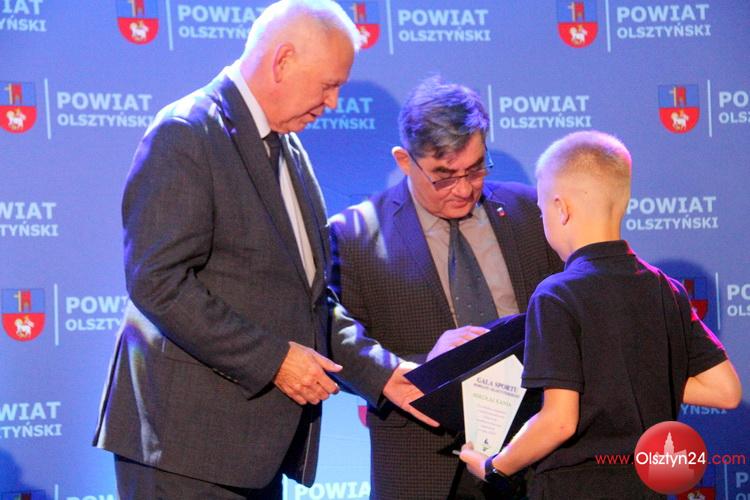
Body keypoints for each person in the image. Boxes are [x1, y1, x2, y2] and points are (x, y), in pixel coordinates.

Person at [92, 1, 431, 497]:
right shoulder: (187, 132)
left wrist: (385, 374)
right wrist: (274, 360)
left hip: (253, 452)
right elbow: (157, 282)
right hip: (184, 452)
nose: (334, 102)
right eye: (329, 85)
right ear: (283, 60)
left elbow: (309, 300)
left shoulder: (287, 147)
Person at [460, 130, 742, 498]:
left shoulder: (557, 294)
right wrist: (622, 379)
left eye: (542, 212)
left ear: (561, 209)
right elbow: (725, 391)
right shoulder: (666, 290)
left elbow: (559, 422)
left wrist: (495, 466)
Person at [329, 77, 563, 499]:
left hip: (532, 458)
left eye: (475, 169)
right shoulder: (355, 236)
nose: (463, 188)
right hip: (420, 468)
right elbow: (335, 345)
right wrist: (421, 369)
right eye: (443, 176)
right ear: (404, 160)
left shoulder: (531, 212)